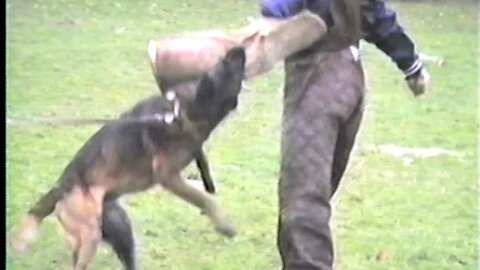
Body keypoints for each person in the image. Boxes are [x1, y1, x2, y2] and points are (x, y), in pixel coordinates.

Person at [259, 0, 431, 269]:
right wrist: (411, 64)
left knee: (303, 200)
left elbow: (277, 8)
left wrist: (271, 21)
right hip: (349, 79)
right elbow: (377, 16)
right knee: (312, 193)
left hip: (317, 82)